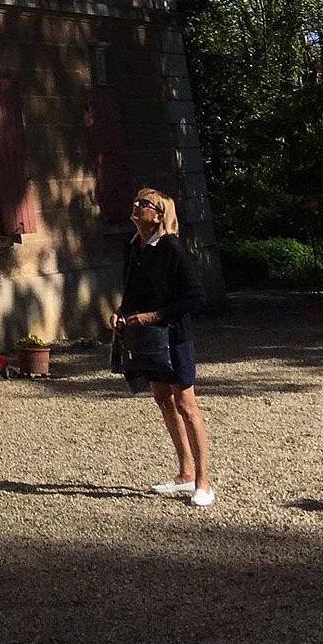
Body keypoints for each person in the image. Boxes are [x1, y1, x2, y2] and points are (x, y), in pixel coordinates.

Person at [111, 187, 213, 506]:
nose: (137, 205)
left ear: (158, 215)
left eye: (145, 203)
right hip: (147, 339)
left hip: (174, 334)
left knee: (186, 403)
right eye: (136, 200)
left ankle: (203, 481)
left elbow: (196, 297)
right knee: (161, 398)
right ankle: (184, 474)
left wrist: (154, 316)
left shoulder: (171, 247)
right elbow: (133, 290)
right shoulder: (133, 246)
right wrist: (122, 313)